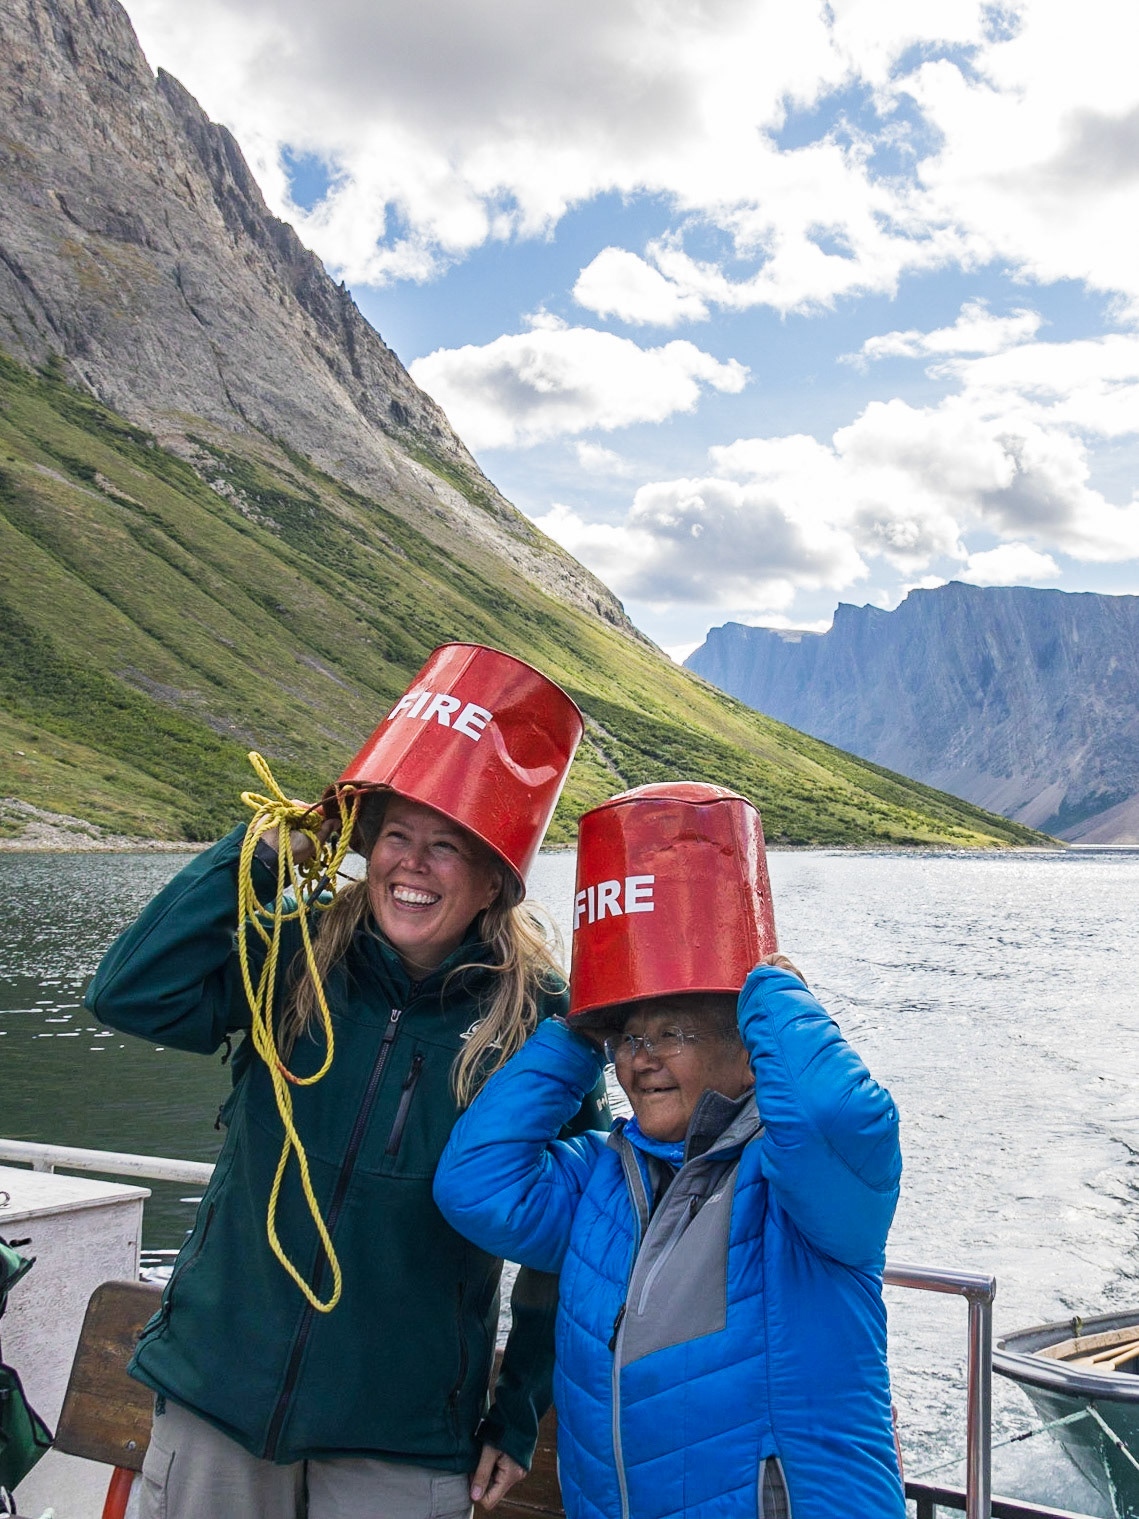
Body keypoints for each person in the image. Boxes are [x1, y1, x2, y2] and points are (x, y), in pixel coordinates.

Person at [84, 644, 606, 1519]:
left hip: (399, 1438)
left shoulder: (541, 1023)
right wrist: (254, 857)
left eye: (447, 846)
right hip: (218, 1397)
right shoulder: (291, 953)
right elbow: (130, 992)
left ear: (494, 880)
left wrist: (516, 1412)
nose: (412, 863)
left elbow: (570, 1237)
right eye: (395, 834)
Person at [434, 782, 905, 1519]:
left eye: (674, 1033)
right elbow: (474, 1183)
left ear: (748, 1050)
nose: (640, 1059)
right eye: (628, 1038)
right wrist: (573, 1034)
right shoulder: (602, 1176)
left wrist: (773, 994)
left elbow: (833, 1115)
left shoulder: (804, 1192)